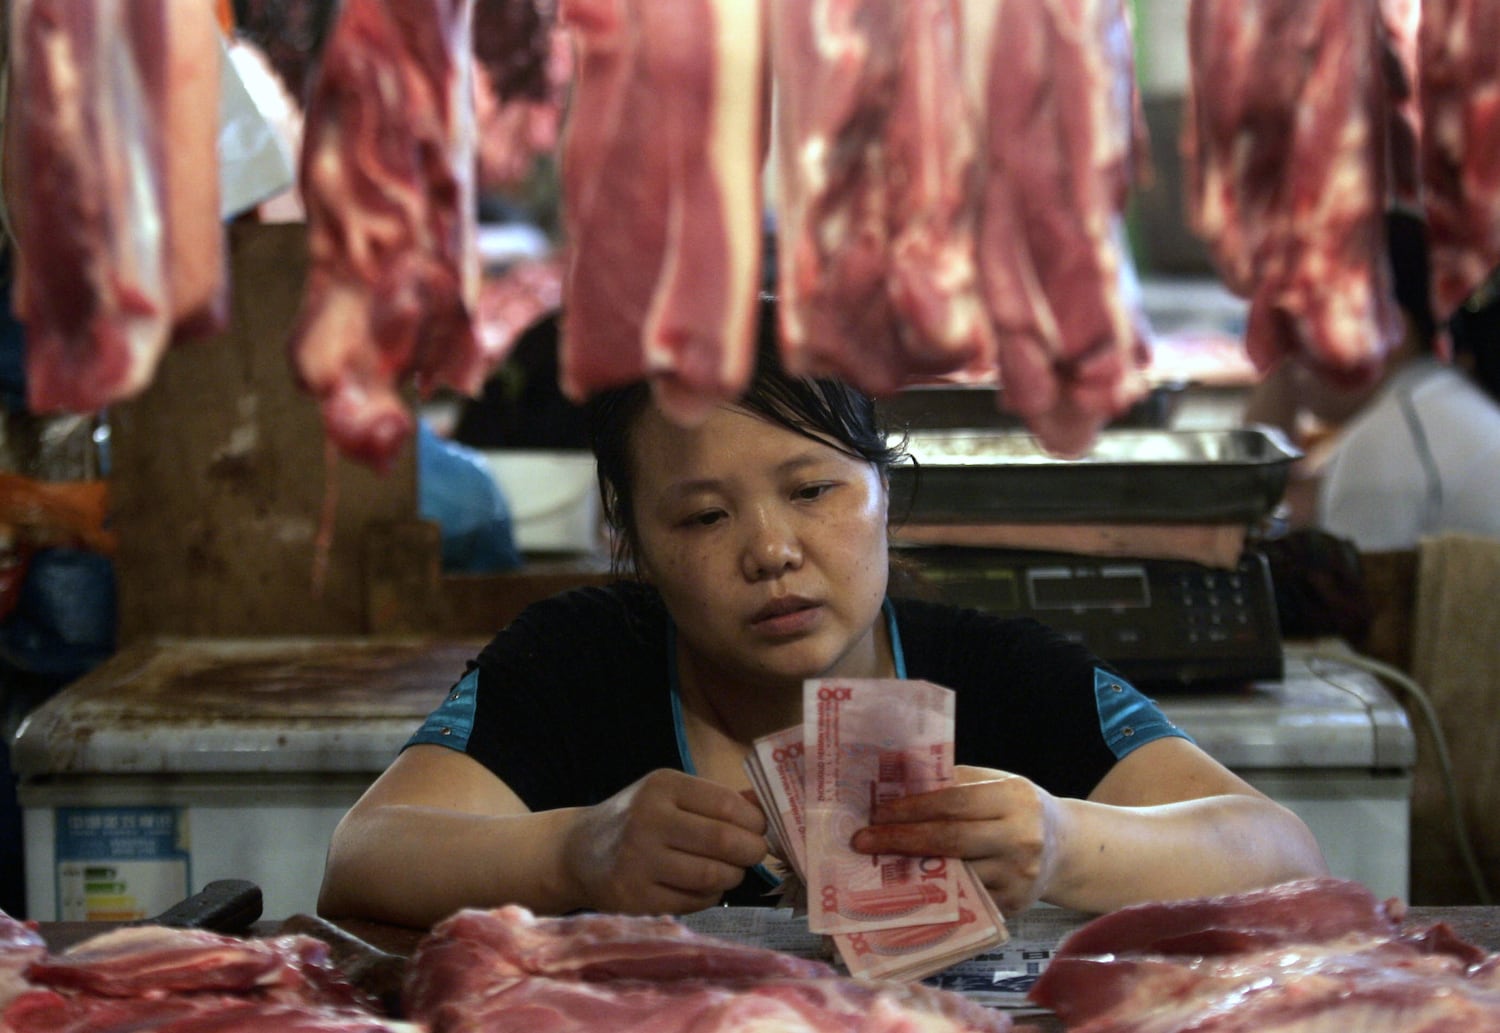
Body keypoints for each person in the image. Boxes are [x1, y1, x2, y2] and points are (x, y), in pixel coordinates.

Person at [318, 300, 1327, 929]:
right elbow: (364, 859)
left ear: (885, 492)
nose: (771, 550)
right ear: (631, 540)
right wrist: (571, 852)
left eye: (813, 492)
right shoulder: (578, 662)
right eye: (706, 515)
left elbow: (1281, 849)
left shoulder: (1002, 675)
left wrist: (1062, 840)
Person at [1244, 211, 1500, 551]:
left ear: (1392, 329)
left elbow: (1350, 599)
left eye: (1318, 322)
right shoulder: (1442, 403)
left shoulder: (1391, 441)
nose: (1298, 350)